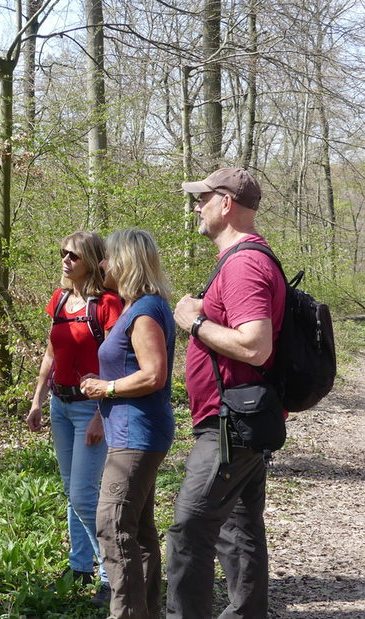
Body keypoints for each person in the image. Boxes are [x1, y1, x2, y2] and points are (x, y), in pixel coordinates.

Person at [166, 167, 286, 618]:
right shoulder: (246, 260)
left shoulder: (244, 264)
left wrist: (192, 321)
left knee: (189, 531)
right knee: (239, 532)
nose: (197, 206)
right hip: (240, 418)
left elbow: (255, 345)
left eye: (203, 198)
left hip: (229, 425)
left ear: (226, 204)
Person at [80, 228, 176, 619]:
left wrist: (108, 387)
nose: (102, 264)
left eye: (108, 258)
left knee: (113, 527)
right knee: (138, 533)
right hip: (136, 433)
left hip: (136, 436)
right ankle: (147, 610)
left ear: (126, 262)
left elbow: (154, 374)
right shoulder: (141, 306)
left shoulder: (144, 311)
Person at [26, 231, 123, 602]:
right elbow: (51, 354)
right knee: (72, 491)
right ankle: (79, 566)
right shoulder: (60, 298)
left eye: (74, 256)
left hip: (90, 409)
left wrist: (102, 413)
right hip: (60, 405)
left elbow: (117, 360)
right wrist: (37, 400)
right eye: (62, 252)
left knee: (84, 494)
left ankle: (110, 576)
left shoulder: (108, 304)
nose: (65, 260)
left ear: (91, 260)